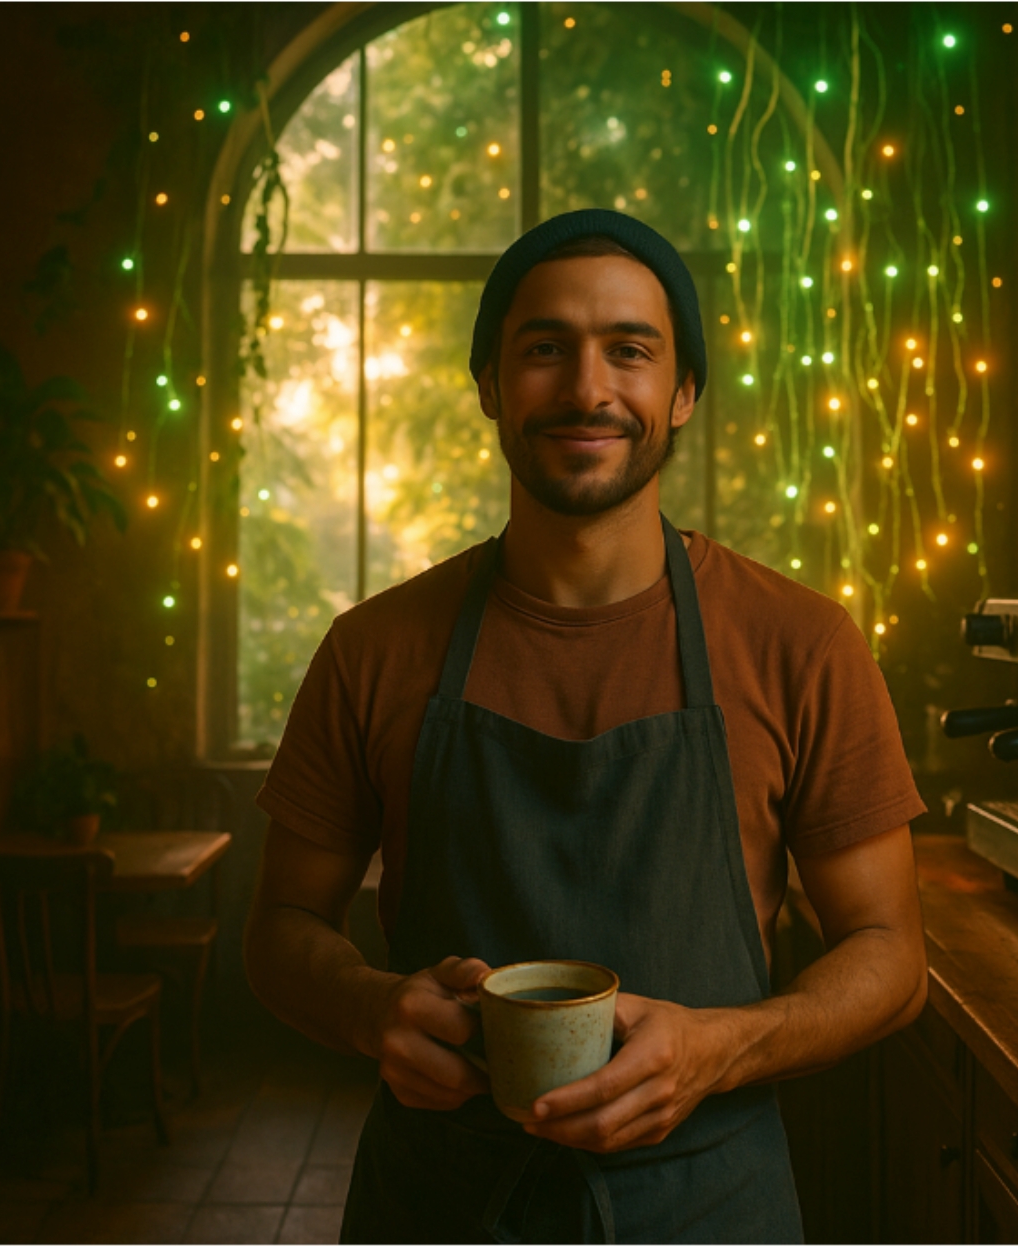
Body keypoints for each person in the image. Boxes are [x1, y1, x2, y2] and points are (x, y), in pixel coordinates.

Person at [245, 209, 928, 1244]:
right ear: (487, 384)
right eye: (542, 349)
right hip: (436, 1205)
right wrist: (366, 1007)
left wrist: (719, 1049)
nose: (585, 389)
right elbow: (280, 928)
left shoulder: (803, 643)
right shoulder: (372, 649)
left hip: (712, 1207)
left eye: (630, 350)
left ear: (683, 392)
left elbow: (889, 954)